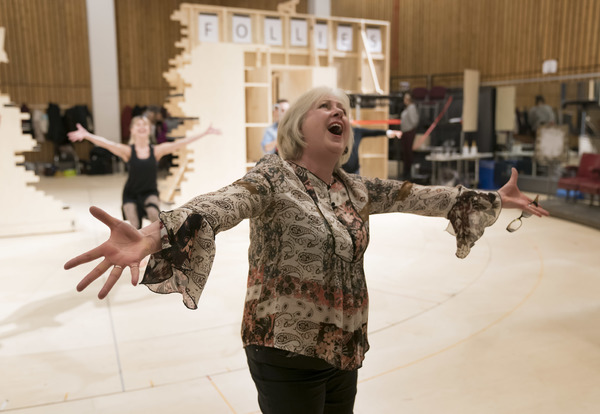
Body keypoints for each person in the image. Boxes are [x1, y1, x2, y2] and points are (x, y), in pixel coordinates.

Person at [64, 86, 548, 414]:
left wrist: (493, 199)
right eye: (325, 107)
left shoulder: (355, 189)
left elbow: (422, 195)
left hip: (344, 350)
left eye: (343, 109)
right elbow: (223, 203)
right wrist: (154, 233)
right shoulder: (273, 177)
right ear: (298, 126)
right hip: (285, 350)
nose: (339, 112)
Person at [68, 116, 221, 229]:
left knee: (155, 215)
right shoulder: (128, 151)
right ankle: (139, 252)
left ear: (149, 130)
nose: (142, 126)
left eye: (145, 124)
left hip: (150, 192)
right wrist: (87, 135)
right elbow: (107, 144)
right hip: (131, 194)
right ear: (132, 130)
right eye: (138, 124)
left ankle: (157, 249)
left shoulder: (156, 151)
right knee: (134, 224)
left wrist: (204, 133)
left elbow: (180, 143)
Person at [400, 92, 419, 179]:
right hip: (405, 132)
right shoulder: (407, 108)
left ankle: (409, 173)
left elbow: (414, 121)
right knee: (406, 153)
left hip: (409, 132)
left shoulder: (411, 108)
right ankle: (406, 171)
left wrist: (409, 129)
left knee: (409, 153)